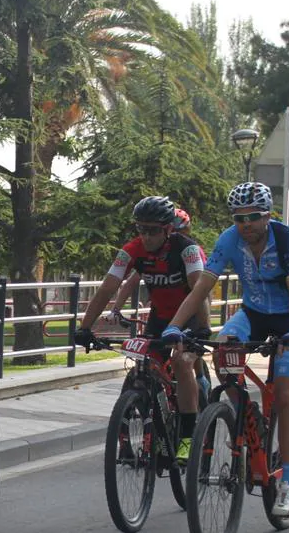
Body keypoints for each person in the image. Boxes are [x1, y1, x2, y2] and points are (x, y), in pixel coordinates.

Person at [161, 182, 289, 518]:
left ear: (268, 216)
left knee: (286, 395)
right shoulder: (230, 239)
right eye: (239, 218)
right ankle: (243, 414)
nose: (246, 225)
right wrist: (175, 325)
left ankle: (287, 483)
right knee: (223, 350)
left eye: (253, 218)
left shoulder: (286, 238)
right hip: (253, 314)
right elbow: (202, 286)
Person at [75, 197, 209, 463]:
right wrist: (85, 328)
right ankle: (155, 424)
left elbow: (200, 291)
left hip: (191, 316)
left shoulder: (188, 250)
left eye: (153, 231)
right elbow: (107, 288)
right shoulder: (132, 250)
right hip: (160, 318)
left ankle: (187, 437)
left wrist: (203, 329)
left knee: (182, 363)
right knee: (148, 365)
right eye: (141, 229)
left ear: (168, 229)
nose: (146, 237)